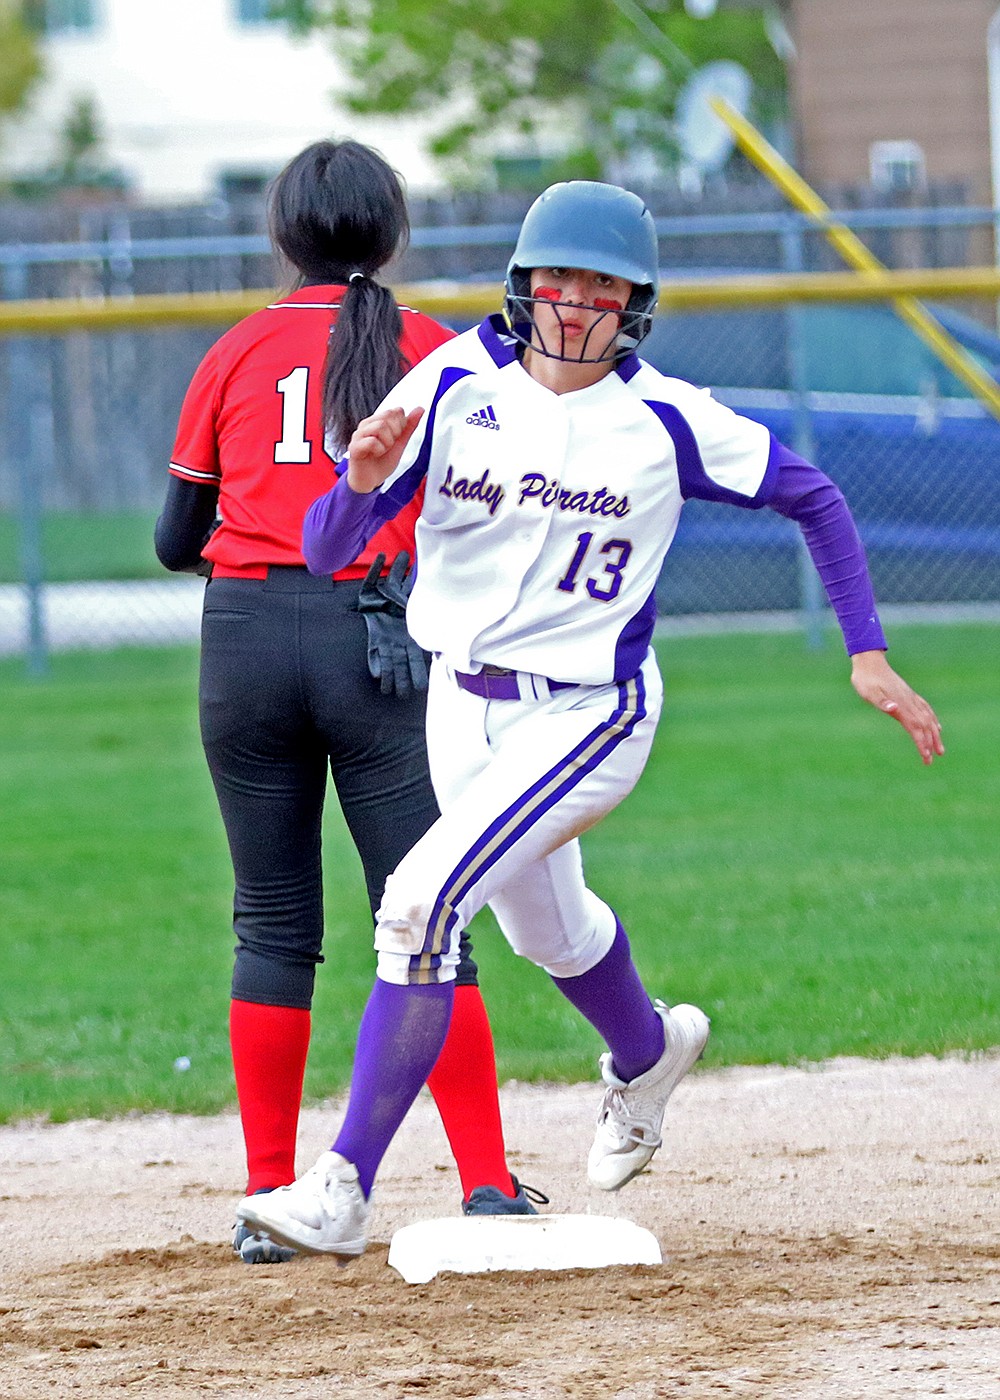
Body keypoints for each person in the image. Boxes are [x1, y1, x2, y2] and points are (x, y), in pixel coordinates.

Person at [236, 179, 944, 1260]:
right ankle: (649, 1050)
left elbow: (815, 495)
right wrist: (357, 482)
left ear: (636, 303)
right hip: (458, 704)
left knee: (420, 904)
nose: (575, 301)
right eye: (557, 278)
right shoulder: (454, 384)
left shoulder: (664, 417)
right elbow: (331, 550)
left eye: (602, 283)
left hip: (589, 714)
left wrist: (866, 650)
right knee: (546, 932)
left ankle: (341, 1187)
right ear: (522, 287)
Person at [154, 139, 539, 1265]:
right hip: (381, 638)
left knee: (272, 922)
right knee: (425, 913)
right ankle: (481, 1181)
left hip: (245, 638)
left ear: (283, 236)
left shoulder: (234, 349)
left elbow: (176, 537)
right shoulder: (435, 348)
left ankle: (270, 1192)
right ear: (390, 233)